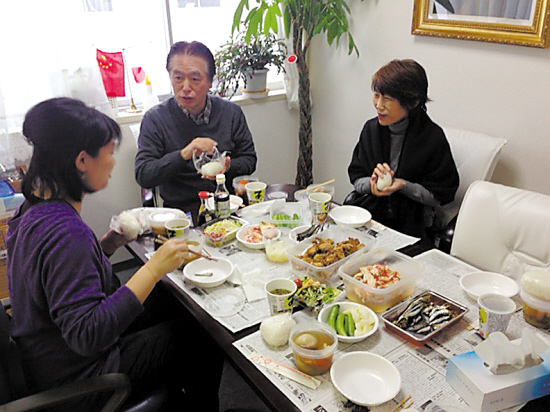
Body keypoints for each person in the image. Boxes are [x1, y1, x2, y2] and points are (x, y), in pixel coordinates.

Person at [7, 97, 222, 411]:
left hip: (47, 355)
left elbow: (59, 281)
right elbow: (87, 334)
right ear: (82, 160)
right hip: (81, 374)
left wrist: (108, 244)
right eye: (109, 152)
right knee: (202, 334)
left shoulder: (31, 210)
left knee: (173, 299)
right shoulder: (65, 231)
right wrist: (154, 267)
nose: (112, 162)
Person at [135, 40, 257, 221]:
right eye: (178, 78)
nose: (185, 87)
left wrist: (228, 166)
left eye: (194, 79)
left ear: (210, 82)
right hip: (180, 215)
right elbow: (143, 174)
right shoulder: (155, 119)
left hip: (225, 206)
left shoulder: (230, 113)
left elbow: (249, 160)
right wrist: (184, 154)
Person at [347, 59, 459, 239]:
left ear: (413, 102)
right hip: (372, 218)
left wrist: (402, 185)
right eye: (376, 95)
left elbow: (439, 196)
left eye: (388, 99)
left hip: (412, 225)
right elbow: (357, 179)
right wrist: (372, 184)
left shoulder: (432, 138)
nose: (379, 105)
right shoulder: (371, 129)